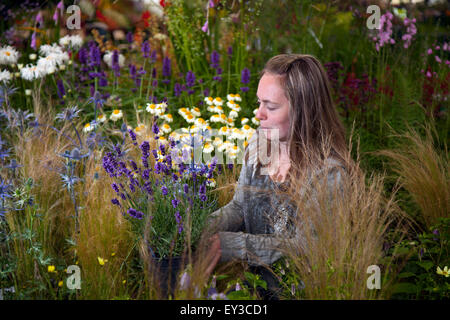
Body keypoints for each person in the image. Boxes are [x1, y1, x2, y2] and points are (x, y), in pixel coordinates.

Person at [203, 54, 351, 299]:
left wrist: (230, 245)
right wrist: (198, 228)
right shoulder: (260, 144)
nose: (259, 114)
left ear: (303, 111)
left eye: (270, 107)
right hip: (252, 290)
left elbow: (308, 250)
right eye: (259, 102)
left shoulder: (329, 174)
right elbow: (240, 207)